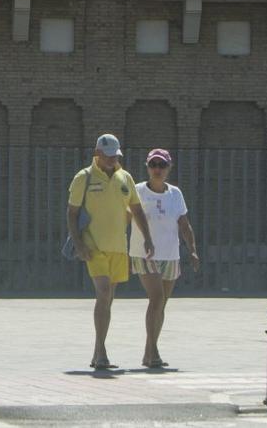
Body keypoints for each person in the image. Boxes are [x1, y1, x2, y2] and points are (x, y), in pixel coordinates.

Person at [67, 133, 154, 370]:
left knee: (108, 299)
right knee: (103, 292)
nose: (111, 160)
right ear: (97, 154)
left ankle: (99, 350)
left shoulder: (125, 178)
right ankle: (100, 350)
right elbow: (72, 214)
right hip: (93, 245)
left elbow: (136, 210)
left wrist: (147, 238)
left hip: (118, 246)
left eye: (114, 156)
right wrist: (79, 244)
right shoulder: (83, 178)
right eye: (107, 156)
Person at [128, 148, 199, 368]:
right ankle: (153, 352)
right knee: (156, 299)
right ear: (148, 167)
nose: (157, 169)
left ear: (169, 168)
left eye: (162, 165)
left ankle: (149, 352)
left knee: (162, 304)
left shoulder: (175, 193)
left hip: (170, 253)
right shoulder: (137, 191)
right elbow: (125, 217)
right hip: (145, 253)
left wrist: (193, 250)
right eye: (153, 165)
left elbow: (184, 224)